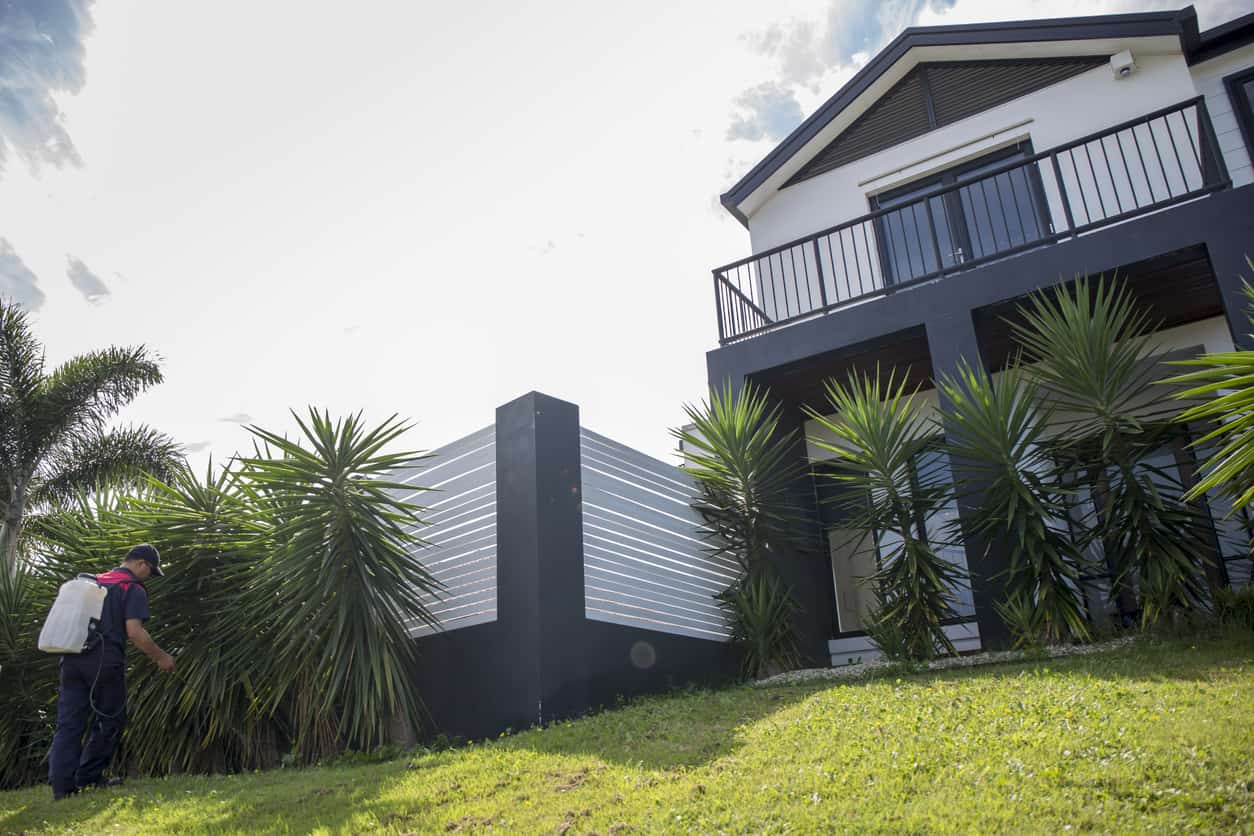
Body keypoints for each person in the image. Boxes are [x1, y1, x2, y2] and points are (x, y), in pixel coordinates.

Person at [47, 544, 176, 800]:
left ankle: (62, 788)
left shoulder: (93, 582)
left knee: (69, 724)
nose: (148, 577)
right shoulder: (132, 588)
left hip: (71, 659)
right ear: (141, 564)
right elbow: (135, 632)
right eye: (150, 572)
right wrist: (162, 657)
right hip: (105, 662)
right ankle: (89, 776)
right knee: (111, 719)